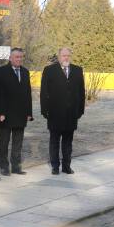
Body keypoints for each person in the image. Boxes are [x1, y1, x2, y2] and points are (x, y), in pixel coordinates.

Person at [40, 47, 85, 175]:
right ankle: (55, 166)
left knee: (68, 142)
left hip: (71, 114)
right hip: (54, 113)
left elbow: (81, 92)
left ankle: (66, 166)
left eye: (68, 55)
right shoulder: (49, 70)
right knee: (54, 141)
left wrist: (80, 110)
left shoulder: (77, 70)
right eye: (63, 55)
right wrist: (45, 110)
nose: (66, 58)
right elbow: (44, 92)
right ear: (59, 56)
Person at [0, 48, 33, 176]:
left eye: (21, 57)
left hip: (20, 114)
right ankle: (4, 167)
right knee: (4, 142)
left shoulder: (25, 72)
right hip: (5, 114)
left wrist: (29, 113)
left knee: (18, 143)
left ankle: (16, 166)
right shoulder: (1, 72)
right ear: (10, 58)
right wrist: (0, 113)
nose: (19, 59)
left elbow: (28, 93)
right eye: (16, 57)